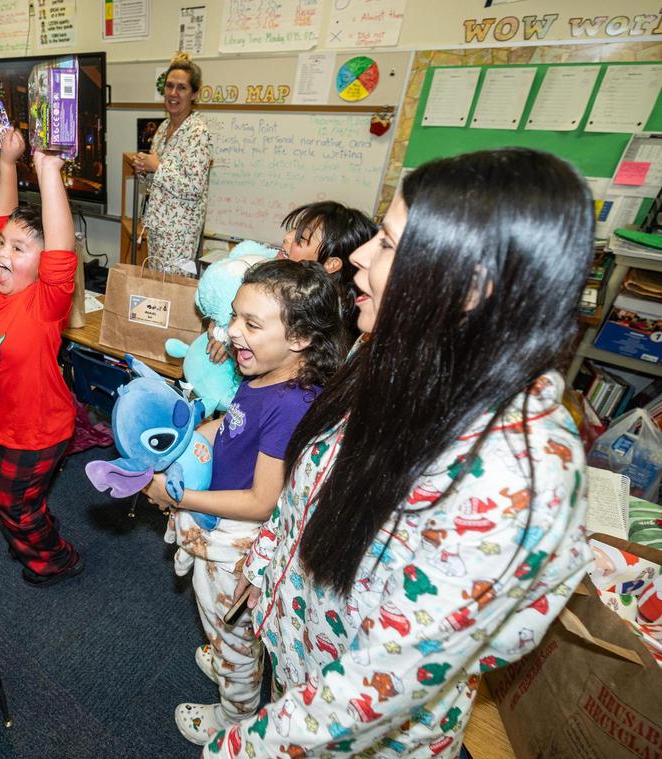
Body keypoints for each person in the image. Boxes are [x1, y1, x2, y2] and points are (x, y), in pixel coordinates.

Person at [205, 148, 595, 757]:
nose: (360, 254)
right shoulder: (390, 347)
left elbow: (378, 684)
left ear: (471, 284)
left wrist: (240, 749)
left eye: (386, 243)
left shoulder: (515, 474)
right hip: (304, 659)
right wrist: (265, 573)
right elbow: (311, 490)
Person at [145, 260, 344, 745]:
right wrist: (187, 440)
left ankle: (235, 713)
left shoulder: (292, 404)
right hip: (218, 521)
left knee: (229, 631)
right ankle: (235, 653)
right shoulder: (262, 374)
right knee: (232, 629)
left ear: (298, 339)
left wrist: (176, 495)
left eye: (251, 324)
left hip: (237, 548)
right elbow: (229, 425)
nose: (233, 332)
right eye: (234, 316)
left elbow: (261, 502)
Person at [0, 129, 82, 586]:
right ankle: (32, 529)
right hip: (5, 425)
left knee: (14, 506)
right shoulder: (2, 282)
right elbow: (2, 217)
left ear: (41, 263)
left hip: (37, 432)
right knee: (8, 496)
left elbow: (60, 250)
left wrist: (48, 169)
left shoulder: (43, 301)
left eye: (18, 249)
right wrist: (9, 161)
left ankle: (56, 560)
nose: (2, 251)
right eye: (2, 244)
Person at [206, 202, 376, 364]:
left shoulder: (319, 318)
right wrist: (220, 323)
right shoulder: (276, 279)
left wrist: (231, 341)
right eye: (293, 229)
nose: (287, 237)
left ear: (331, 264)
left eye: (301, 238)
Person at [132, 52, 212, 275]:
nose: (173, 93)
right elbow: (156, 181)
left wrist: (156, 167)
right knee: (158, 292)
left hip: (179, 235)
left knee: (172, 295)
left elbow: (194, 189)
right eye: (169, 86)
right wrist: (143, 169)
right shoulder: (162, 128)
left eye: (182, 88)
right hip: (157, 227)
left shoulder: (198, 133)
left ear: (194, 93)